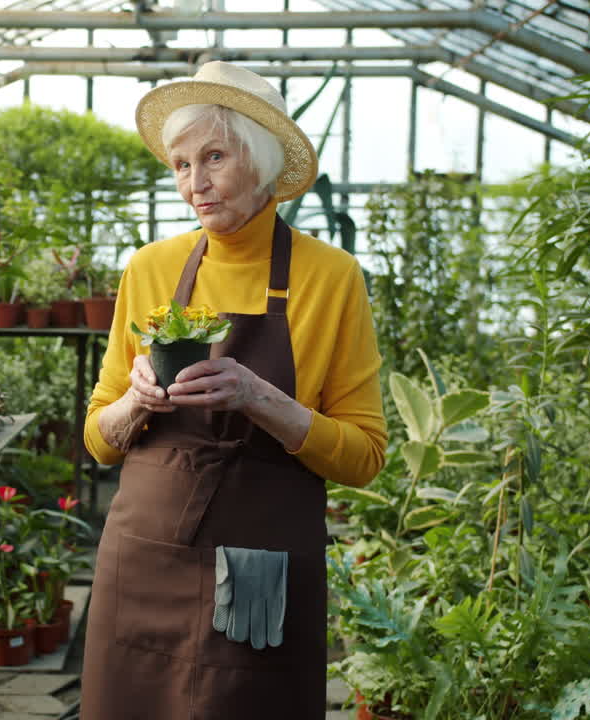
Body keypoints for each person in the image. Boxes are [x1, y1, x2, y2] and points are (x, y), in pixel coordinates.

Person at [79, 61, 388, 718]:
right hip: (145, 560)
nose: (195, 183)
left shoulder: (330, 278)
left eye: (214, 157)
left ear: (261, 160)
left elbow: (364, 456)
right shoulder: (151, 268)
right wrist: (136, 402)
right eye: (181, 164)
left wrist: (259, 396)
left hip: (256, 568)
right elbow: (99, 441)